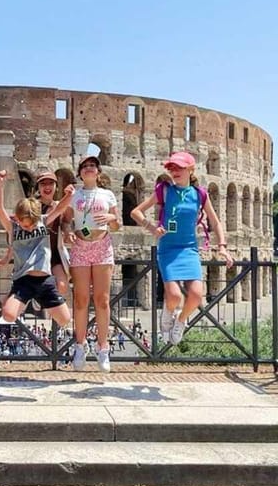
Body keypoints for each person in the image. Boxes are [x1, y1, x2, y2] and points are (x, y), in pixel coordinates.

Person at [130, 151, 234, 345]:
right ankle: (167, 314)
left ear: (191, 169)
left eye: (179, 167)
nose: (174, 171)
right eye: (171, 168)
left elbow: (215, 221)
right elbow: (136, 212)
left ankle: (180, 321)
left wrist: (222, 247)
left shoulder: (200, 194)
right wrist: (152, 227)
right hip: (168, 249)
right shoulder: (164, 190)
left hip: (189, 249)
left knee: (196, 295)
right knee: (175, 295)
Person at [0, 169, 75, 332]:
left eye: (32, 224)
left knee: (65, 319)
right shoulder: (13, 227)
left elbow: (59, 209)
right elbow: (0, 210)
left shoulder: (42, 222)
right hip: (23, 280)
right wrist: (0, 184)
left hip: (45, 281)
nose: (29, 228)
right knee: (8, 315)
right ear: (18, 219)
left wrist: (69, 195)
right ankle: (24, 300)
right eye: (25, 225)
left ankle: (37, 300)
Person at [63, 155, 121, 372]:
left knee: (103, 300)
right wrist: (67, 232)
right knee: (80, 299)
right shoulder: (74, 195)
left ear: (98, 172)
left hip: (102, 246)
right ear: (80, 173)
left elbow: (117, 225)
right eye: (85, 166)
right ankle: (80, 345)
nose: (89, 169)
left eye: (92, 166)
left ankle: (103, 347)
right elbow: (66, 220)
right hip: (80, 247)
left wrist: (111, 219)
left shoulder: (107, 195)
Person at [33, 171, 72, 296]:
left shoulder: (62, 206)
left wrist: (67, 232)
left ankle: (55, 314)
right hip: (36, 254)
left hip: (54, 253)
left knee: (62, 286)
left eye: (51, 183)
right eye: (43, 184)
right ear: (38, 187)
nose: (47, 187)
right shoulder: (31, 206)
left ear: (56, 186)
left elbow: (66, 223)